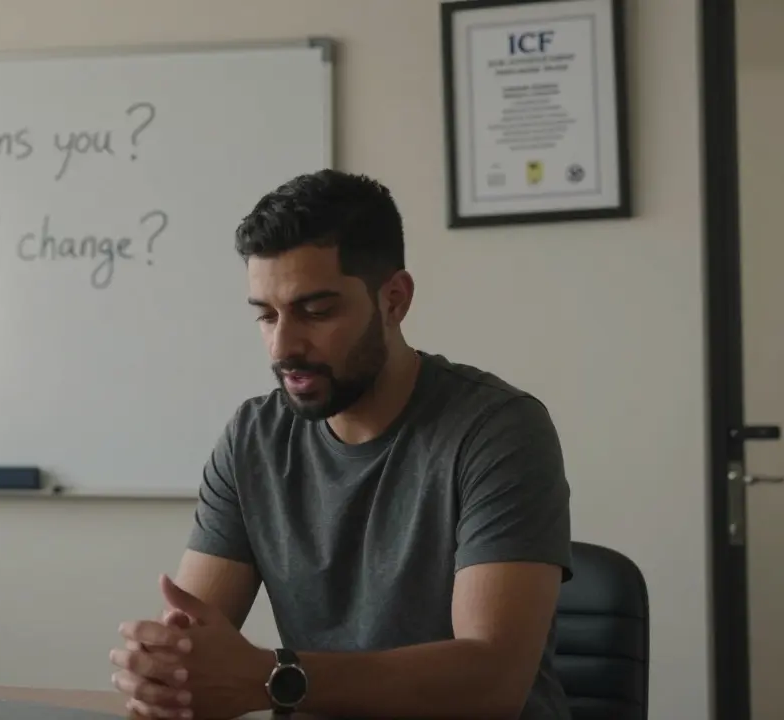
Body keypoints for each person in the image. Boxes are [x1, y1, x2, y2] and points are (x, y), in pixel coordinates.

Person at [108, 169, 573, 720]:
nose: (284, 346)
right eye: (265, 315)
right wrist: (166, 674)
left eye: (316, 311)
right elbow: (193, 647)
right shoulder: (252, 439)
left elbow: (491, 682)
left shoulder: (498, 430)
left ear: (394, 300)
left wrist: (272, 677)